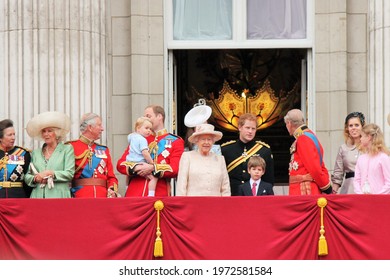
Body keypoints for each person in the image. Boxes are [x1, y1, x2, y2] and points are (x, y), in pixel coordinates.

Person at [117, 105, 184, 197]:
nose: (145, 119)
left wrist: (153, 168)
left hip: (159, 194)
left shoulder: (176, 141)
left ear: (159, 117)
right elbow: (121, 164)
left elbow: (175, 168)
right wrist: (137, 167)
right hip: (135, 193)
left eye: (148, 116)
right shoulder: (138, 138)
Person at [221, 113, 274, 196]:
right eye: (247, 128)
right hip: (233, 196)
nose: (250, 131)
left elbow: (269, 180)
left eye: (253, 128)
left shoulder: (264, 150)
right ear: (239, 127)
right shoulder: (226, 149)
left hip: (255, 197)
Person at [24, 111, 75, 198]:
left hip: (59, 196)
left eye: (49, 131)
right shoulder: (36, 153)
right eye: (44, 131)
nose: (46, 134)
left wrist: (51, 173)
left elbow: (69, 173)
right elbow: (27, 175)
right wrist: (35, 178)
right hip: (38, 196)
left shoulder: (66, 149)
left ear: (57, 133)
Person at [68, 113, 118, 198]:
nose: (102, 129)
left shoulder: (104, 150)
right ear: (90, 127)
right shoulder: (71, 147)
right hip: (80, 196)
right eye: (99, 125)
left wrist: (112, 189)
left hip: (102, 196)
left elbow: (111, 177)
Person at [284, 109, 332, 195]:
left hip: (304, 190)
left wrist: (326, 187)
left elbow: (314, 167)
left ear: (289, 123)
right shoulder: (309, 136)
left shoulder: (303, 139)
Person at [176, 123, 230, 196]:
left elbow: (225, 188)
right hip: (193, 205)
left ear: (213, 141)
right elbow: (181, 187)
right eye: (203, 139)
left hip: (216, 205)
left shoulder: (220, 159)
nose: (206, 142)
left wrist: (225, 205)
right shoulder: (187, 157)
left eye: (209, 139)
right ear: (197, 141)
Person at [331, 112, 365, 194]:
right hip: (349, 189)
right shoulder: (343, 148)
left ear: (362, 127)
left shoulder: (370, 147)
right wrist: (332, 192)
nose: (353, 128)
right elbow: (338, 173)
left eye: (357, 125)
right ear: (347, 128)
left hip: (366, 188)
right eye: (351, 126)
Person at [125, 117, 158, 196]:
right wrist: (151, 163)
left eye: (150, 129)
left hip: (130, 162)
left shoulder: (131, 136)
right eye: (146, 128)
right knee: (154, 178)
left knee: (128, 175)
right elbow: (145, 153)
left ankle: (126, 188)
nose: (149, 131)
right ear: (138, 128)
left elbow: (129, 140)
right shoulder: (143, 140)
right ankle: (151, 195)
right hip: (140, 162)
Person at [354, 123, 390, 194]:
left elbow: (389, 182)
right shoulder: (361, 158)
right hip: (362, 200)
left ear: (369, 137)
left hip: (379, 200)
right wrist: (360, 194)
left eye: (362, 136)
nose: (360, 139)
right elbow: (357, 180)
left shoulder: (383, 157)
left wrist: (377, 196)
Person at [0, 119, 31, 198]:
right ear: (1, 138)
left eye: (14, 134)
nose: (13, 138)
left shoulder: (23, 153)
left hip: (17, 197)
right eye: (9, 135)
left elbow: (27, 180)